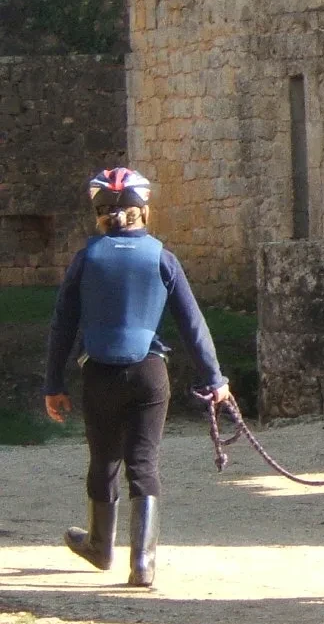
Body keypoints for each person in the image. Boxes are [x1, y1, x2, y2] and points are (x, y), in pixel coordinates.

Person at [43, 167, 230, 589]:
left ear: (100, 214)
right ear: (143, 211)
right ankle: (142, 565)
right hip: (149, 372)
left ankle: (99, 547)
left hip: (100, 373)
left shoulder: (86, 259)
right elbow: (192, 325)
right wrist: (215, 378)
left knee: (104, 459)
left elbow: (62, 325)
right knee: (143, 463)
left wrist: (52, 384)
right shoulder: (164, 258)